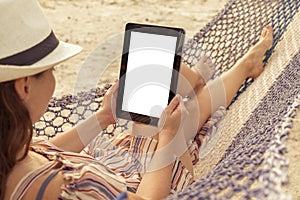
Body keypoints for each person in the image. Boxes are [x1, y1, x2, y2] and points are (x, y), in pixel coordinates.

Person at [0, 0, 273, 199]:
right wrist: (168, 135)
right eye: (52, 69)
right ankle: (235, 68)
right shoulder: (56, 187)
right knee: (176, 119)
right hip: (144, 186)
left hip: (117, 165)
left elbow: (46, 148)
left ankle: (205, 77)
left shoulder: (9, 149)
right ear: (24, 86)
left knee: (152, 118)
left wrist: (103, 117)